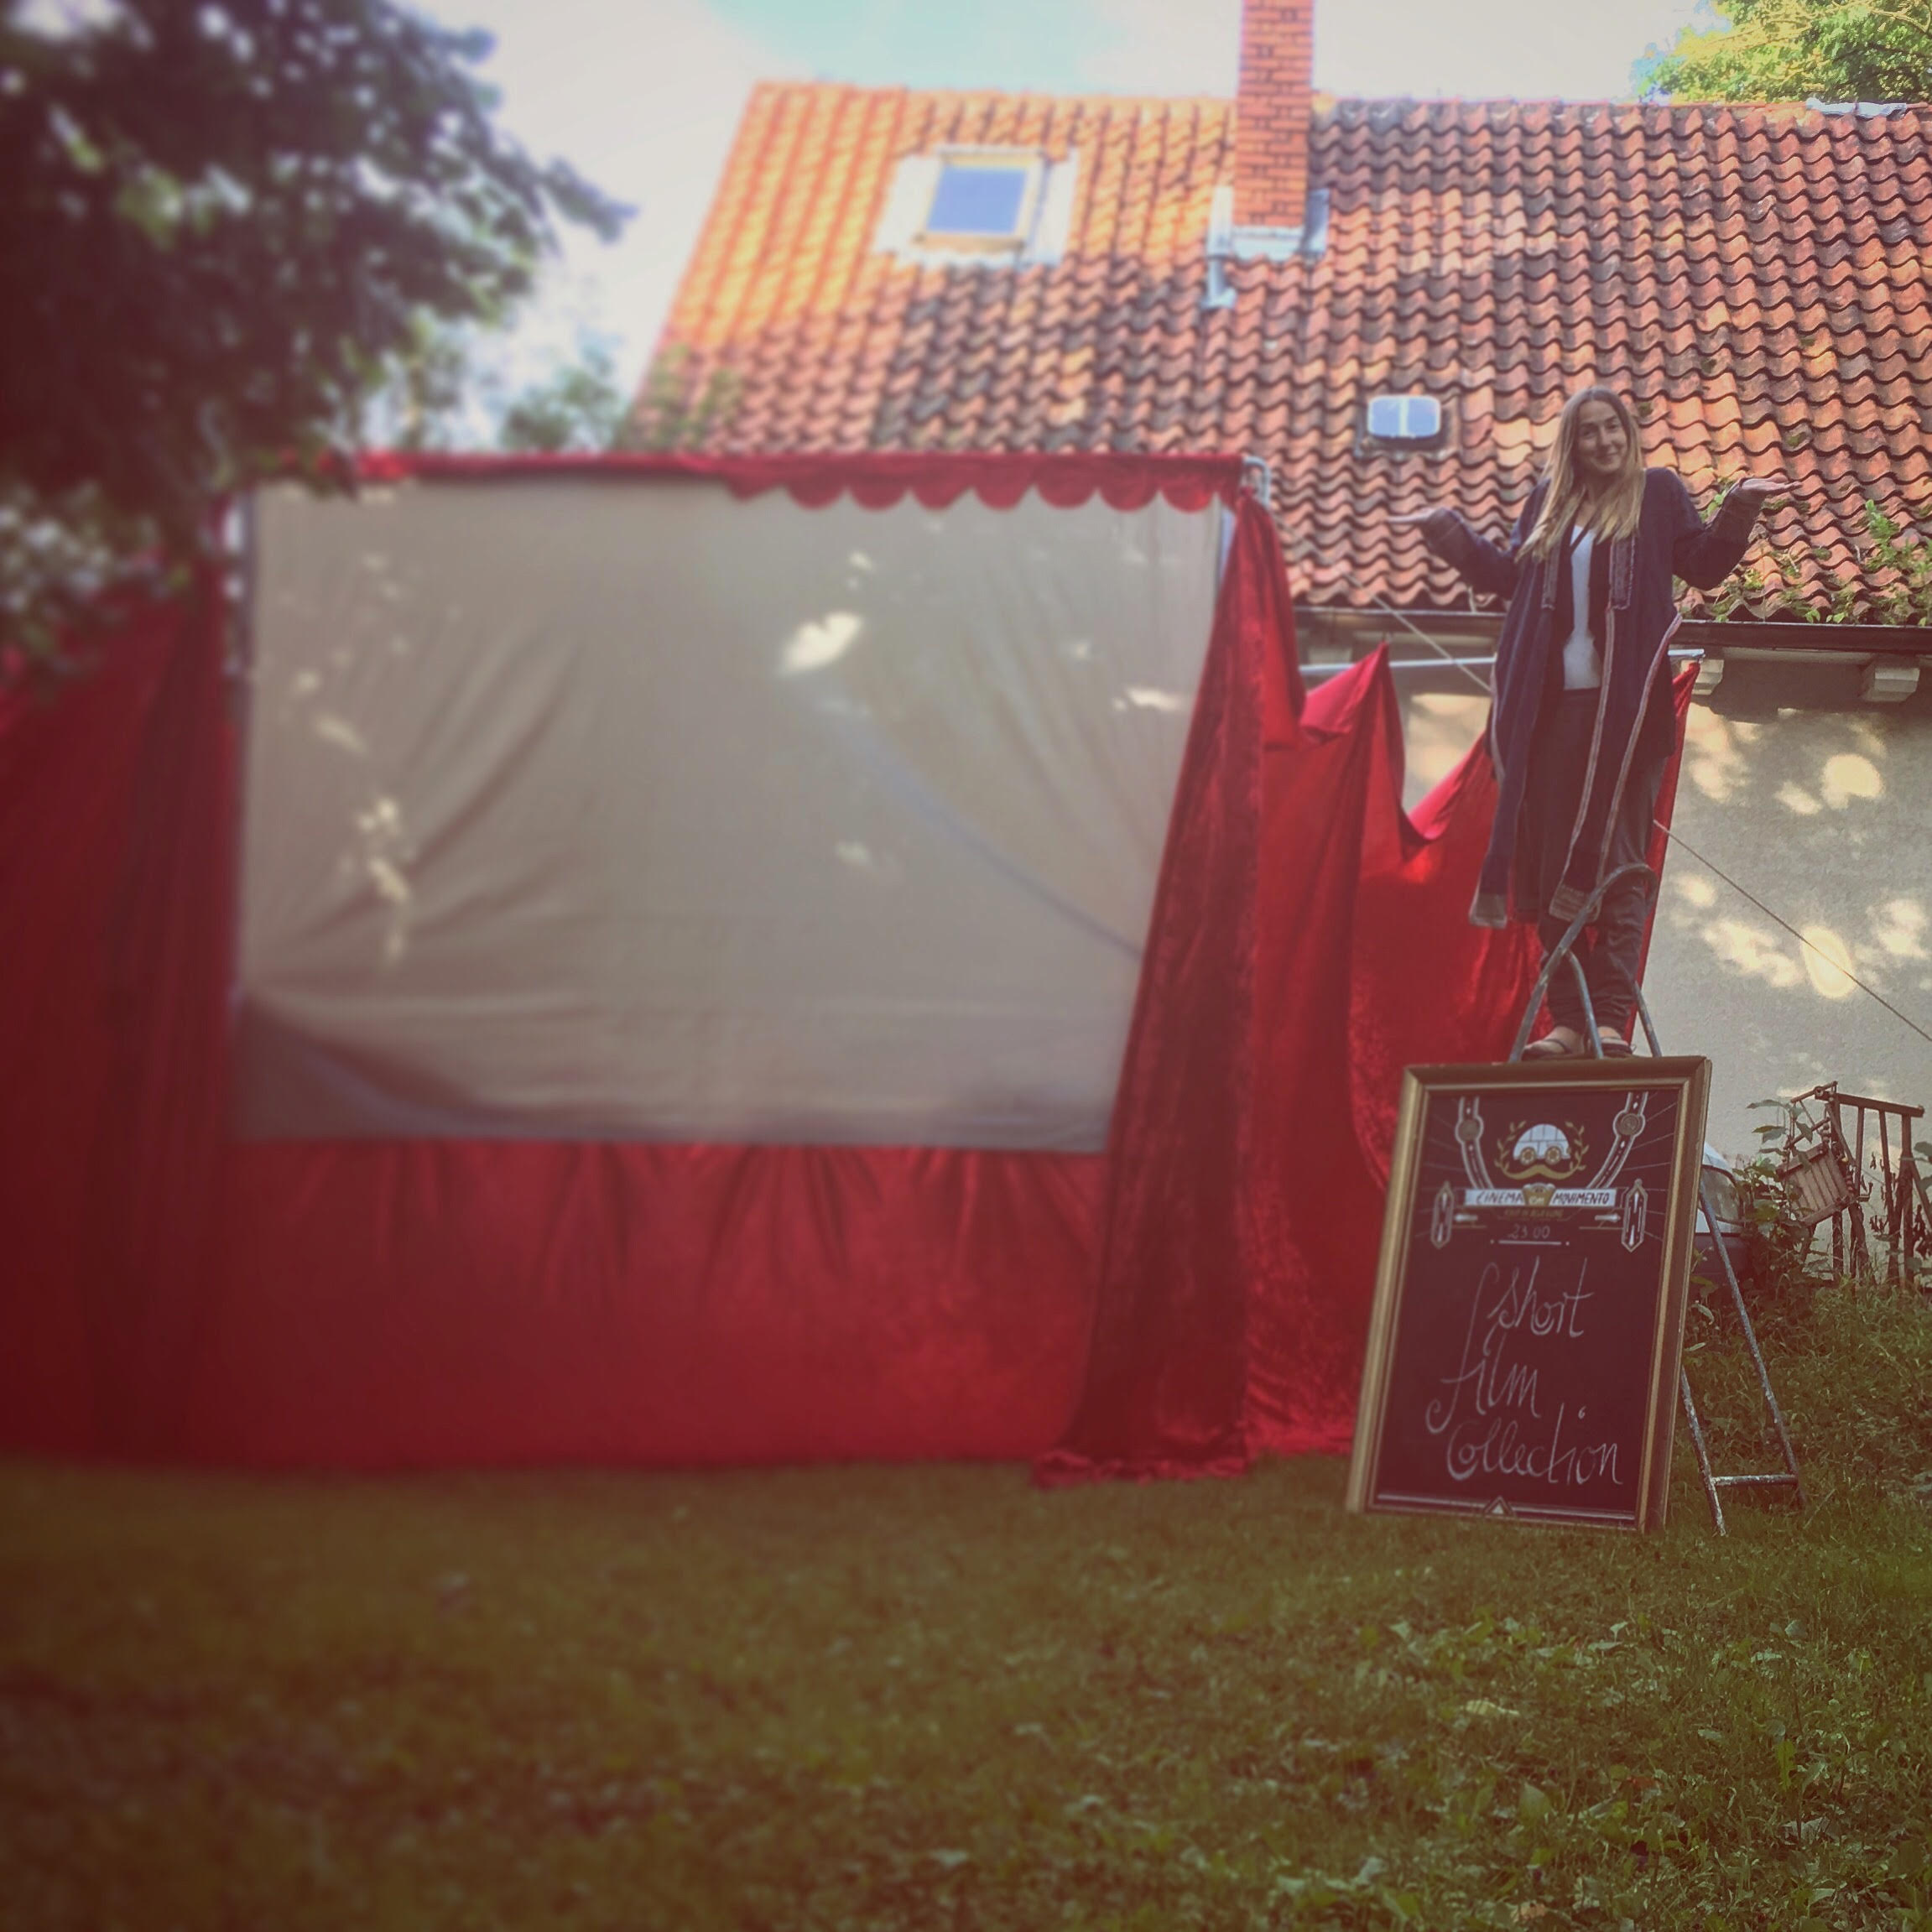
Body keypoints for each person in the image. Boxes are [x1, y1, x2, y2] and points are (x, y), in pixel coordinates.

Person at [1395, 386, 1789, 1057]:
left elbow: (1703, 566)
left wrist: (1740, 504)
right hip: (1551, 715)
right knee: (1550, 869)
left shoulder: (1656, 493)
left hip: (1627, 715)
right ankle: (1568, 1022)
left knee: (1619, 864)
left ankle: (1609, 1019)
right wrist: (1445, 530)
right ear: (1571, 444)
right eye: (1588, 432)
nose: (1603, 441)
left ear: (1627, 434)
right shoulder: (1547, 504)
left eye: (1612, 428)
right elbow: (1505, 577)